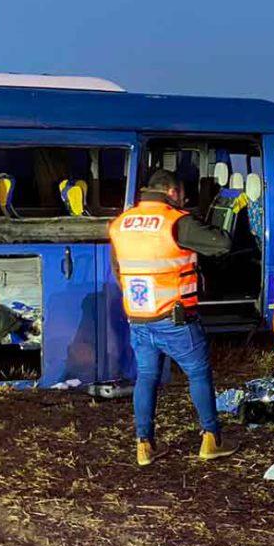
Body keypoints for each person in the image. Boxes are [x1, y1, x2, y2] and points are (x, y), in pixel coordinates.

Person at [107, 170, 238, 466]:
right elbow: (222, 244)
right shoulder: (176, 220)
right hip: (175, 318)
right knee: (198, 373)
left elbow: (118, 269)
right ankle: (211, 438)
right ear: (171, 191)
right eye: (182, 194)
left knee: (147, 377)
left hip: (139, 317)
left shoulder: (121, 223)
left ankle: (144, 445)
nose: (185, 199)